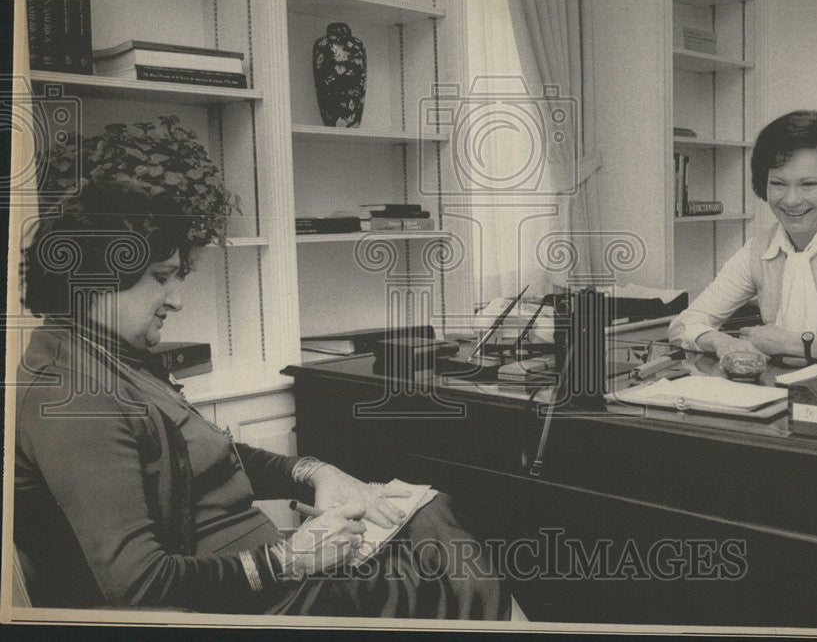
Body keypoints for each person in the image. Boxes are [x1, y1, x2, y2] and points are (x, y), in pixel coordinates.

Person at [14, 183, 509, 618]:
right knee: (440, 551)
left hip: (271, 577)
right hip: (249, 603)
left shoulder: (109, 356)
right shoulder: (73, 398)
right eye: (160, 278)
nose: (176, 299)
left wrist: (316, 473)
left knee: (429, 513)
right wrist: (292, 558)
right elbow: (136, 584)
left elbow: (209, 454)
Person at [668, 111, 817, 365]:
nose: (791, 200)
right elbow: (683, 324)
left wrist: (796, 344)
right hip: (777, 391)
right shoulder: (759, 249)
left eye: (808, 184)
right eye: (778, 184)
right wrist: (722, 342)